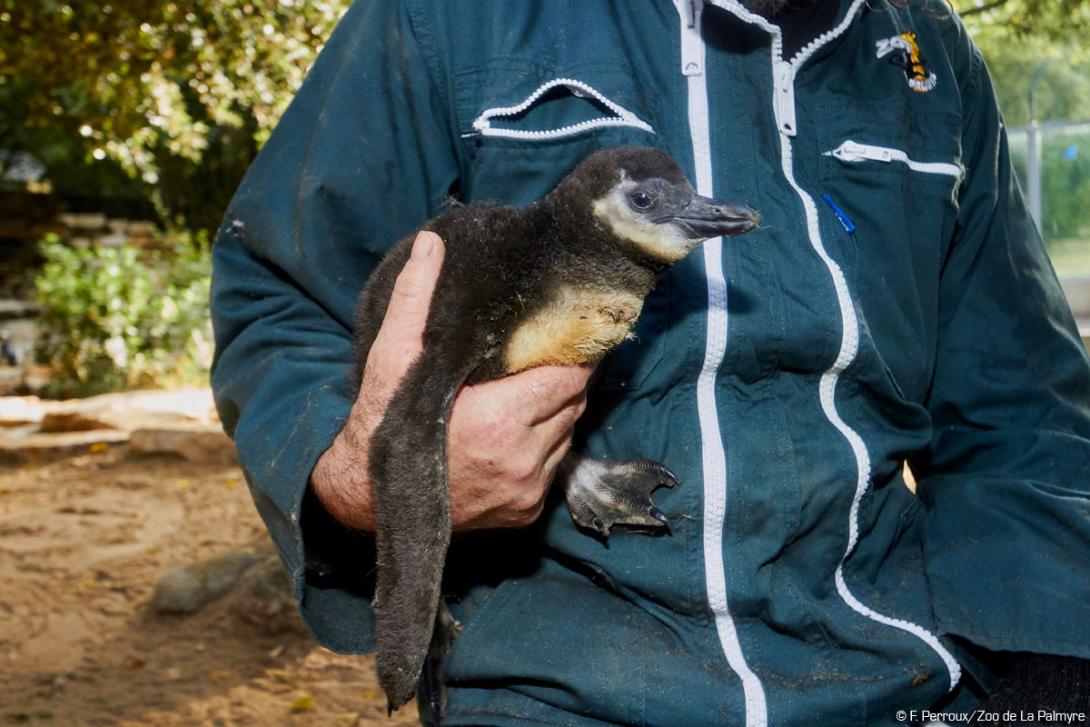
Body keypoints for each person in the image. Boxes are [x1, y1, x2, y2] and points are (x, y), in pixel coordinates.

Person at [210, 0, 1090, 724]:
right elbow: (279, 297)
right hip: (549, 689)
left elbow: (1025, 409)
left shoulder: (927, 53)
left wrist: (1051, 675)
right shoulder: (449, 17)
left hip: (896, 677)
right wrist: (364, 477)